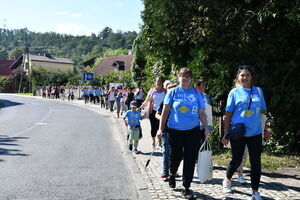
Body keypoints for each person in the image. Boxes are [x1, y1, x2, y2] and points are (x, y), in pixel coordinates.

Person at [158, 68, 209, 199]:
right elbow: (165, 112)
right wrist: (160, 128)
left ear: (191, 79)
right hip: (175, 130)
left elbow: (202, 113)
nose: (185, 78)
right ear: (178, 77)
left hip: (193, 130)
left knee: (190, 159)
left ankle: (186, 186)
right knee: (176, 156)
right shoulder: (173, 92)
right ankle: (172, 173)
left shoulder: (196, 93)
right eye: (182, 76)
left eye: (187, 76)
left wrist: (206, 128)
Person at [221, 65, 270, 200]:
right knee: (237, 160)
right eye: (242, 75)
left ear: (251, 77)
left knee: (256, 163)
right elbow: (229, 114)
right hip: (238, 133)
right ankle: (227, 179)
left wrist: (266, 129)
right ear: (238, 77)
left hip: (255, 133)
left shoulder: (258, 92)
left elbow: (264, 112)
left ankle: (255, 192)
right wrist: (226, 133)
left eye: (247, 74)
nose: (245, 77)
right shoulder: (234, 92)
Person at [155, 81, 178, 178]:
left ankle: (174, 171)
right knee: (166, 150)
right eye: (170, 90)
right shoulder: (164, 102)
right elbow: (157, 114)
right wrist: (163, 120)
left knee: (175, 152)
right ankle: (165, 171)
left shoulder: (178, 103)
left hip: (177, 130)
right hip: (165, 129)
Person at [140, 77, 166, 148]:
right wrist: (141, 106)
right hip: (153, 112)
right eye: (157, 81)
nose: (158, 83)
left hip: (162, 112)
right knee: (153, 128)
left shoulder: (165, 91)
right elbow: (147, 100)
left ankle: (160, 143)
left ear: (162, 82)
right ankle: (153, 141)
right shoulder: (152, 91)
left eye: (160, 81)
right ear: (155, 82)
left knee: (161, 127)